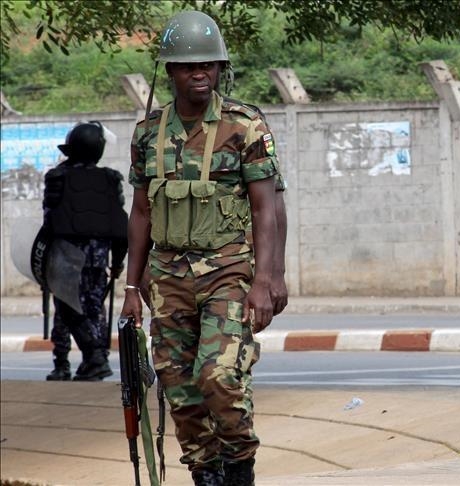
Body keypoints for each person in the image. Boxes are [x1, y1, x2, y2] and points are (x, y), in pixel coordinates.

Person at [120, 10, 280, 486]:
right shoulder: (148, 133)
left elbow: (268, 209)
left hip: (229, 270)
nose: (200, 74)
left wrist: (269, 279)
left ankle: (239, 469)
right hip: (167, 277)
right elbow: (141, 212)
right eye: (189, 66)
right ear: (170, 71)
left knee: (219, 377)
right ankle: (206, 475)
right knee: (180, 388)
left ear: (219, 69)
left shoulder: (244, 125)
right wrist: (132, 285)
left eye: (208, 65)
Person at [43, 121, 128, 381]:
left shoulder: (56, 177)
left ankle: (71, 362)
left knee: (66, 309)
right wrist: (117, 261)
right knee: (94, 310)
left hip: (65, 256)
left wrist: (44, 261)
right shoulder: (111, 179)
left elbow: (49, 220)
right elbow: (119, 224)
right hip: (98, 259)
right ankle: (95, 359)